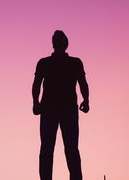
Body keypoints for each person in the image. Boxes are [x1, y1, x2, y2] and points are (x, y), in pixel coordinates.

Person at [32, 30, 90, 180]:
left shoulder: (69, 63)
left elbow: (36, 84)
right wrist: (86, 100)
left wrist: (35, 103)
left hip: (62, 109)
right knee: (60, 149)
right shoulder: (69, 63)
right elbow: (36, 84)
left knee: (53, 149)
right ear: (65, 44)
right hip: (58, 109)